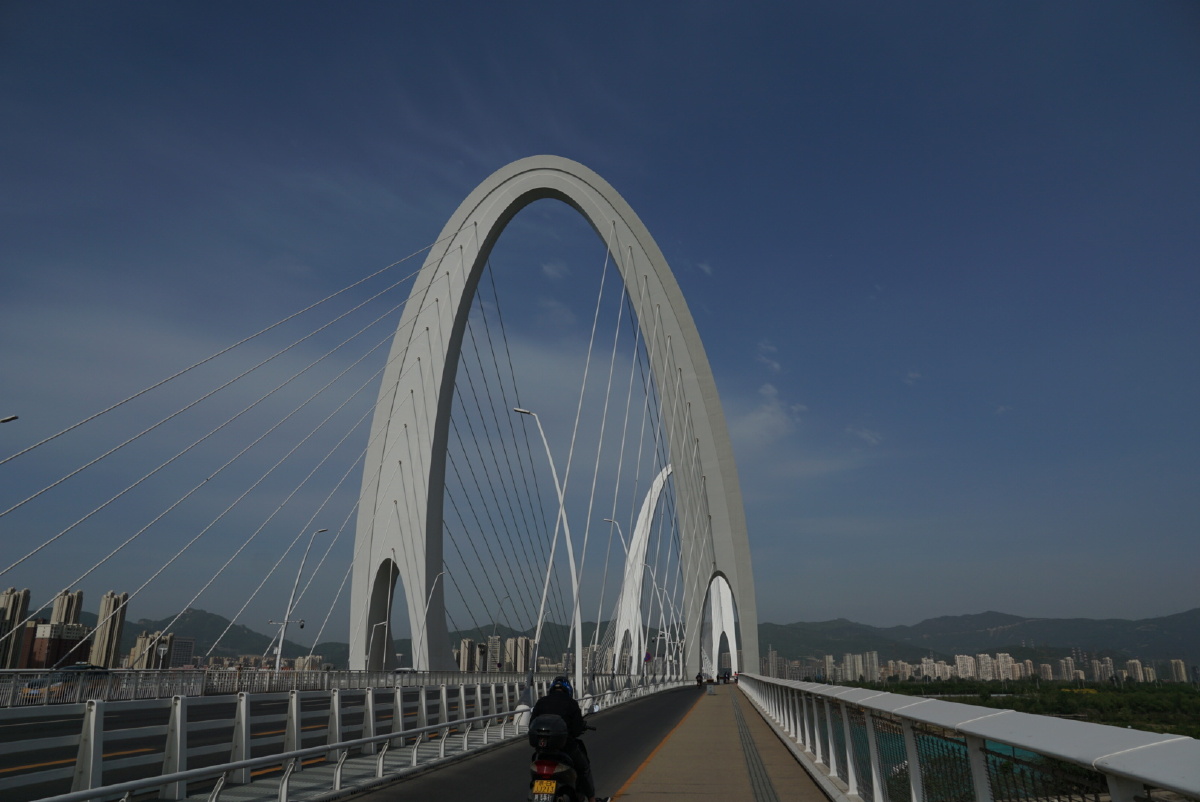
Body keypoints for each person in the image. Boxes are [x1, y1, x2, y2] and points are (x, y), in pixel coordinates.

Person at [531, 676, 604, 802]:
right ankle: (592, 799)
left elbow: (531, 724)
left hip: (542, 750)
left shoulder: (541, 702)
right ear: (568, 690)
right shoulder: (571, 703)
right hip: (566, 747)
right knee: (584, 768)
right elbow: (576, 729)